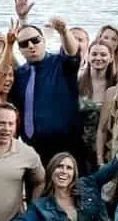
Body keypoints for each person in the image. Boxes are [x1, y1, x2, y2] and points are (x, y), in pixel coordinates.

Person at [9, 9, 86, 165]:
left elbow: (72, 52)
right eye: (24, 44)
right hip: (32, 148)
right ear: (20, 49)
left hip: (65, 147)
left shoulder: (61, 64)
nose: (31, 46)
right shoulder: (19, 74)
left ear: (43, 40)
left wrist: (64, 31)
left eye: (35, 40)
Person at [75, 38, 118, 170]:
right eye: (94, 54)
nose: (98, 58)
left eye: (103, 54)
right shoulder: (78, 82)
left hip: (108, 146)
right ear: (88, 57)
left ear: (111, 58)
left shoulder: (117, 84)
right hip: (79, 145)